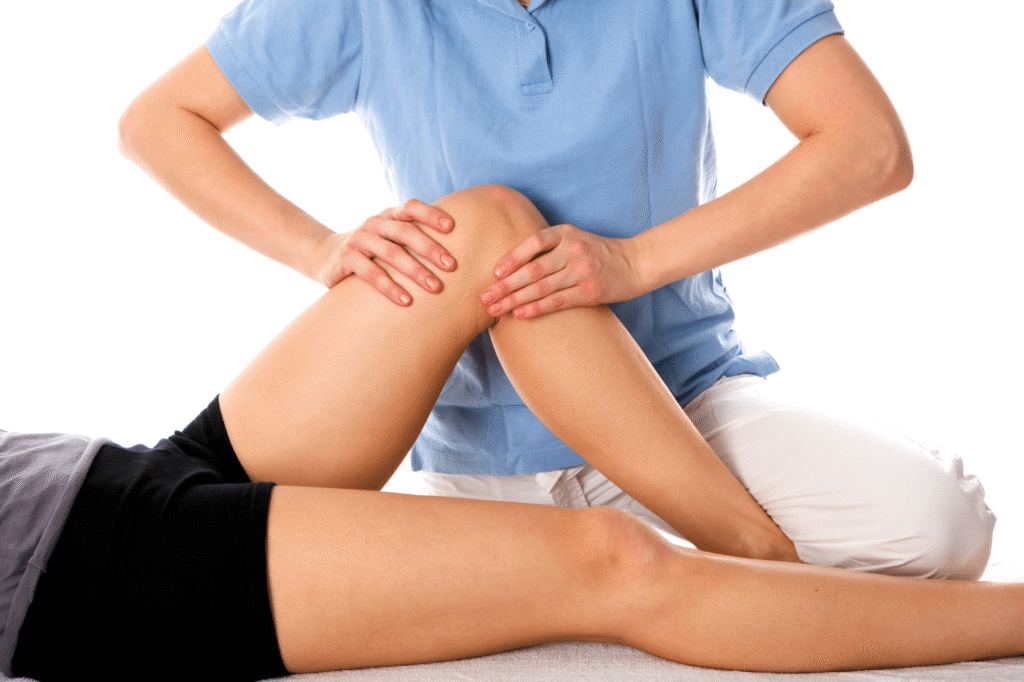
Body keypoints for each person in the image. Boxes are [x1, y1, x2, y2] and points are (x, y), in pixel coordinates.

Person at [3, 185, 1024, 682]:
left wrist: (323, 248)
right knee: (611, 557)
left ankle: (753, 559)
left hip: (90, 474)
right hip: (74, 575)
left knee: (489, 230)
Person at [117, 0, 994, 575]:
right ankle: (691, 569)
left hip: (685, 407)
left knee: (946, 529)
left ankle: (718, 552)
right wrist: (320, 249)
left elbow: (868, 148)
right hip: (479, 459)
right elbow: (159, 120)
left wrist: (634, 262)